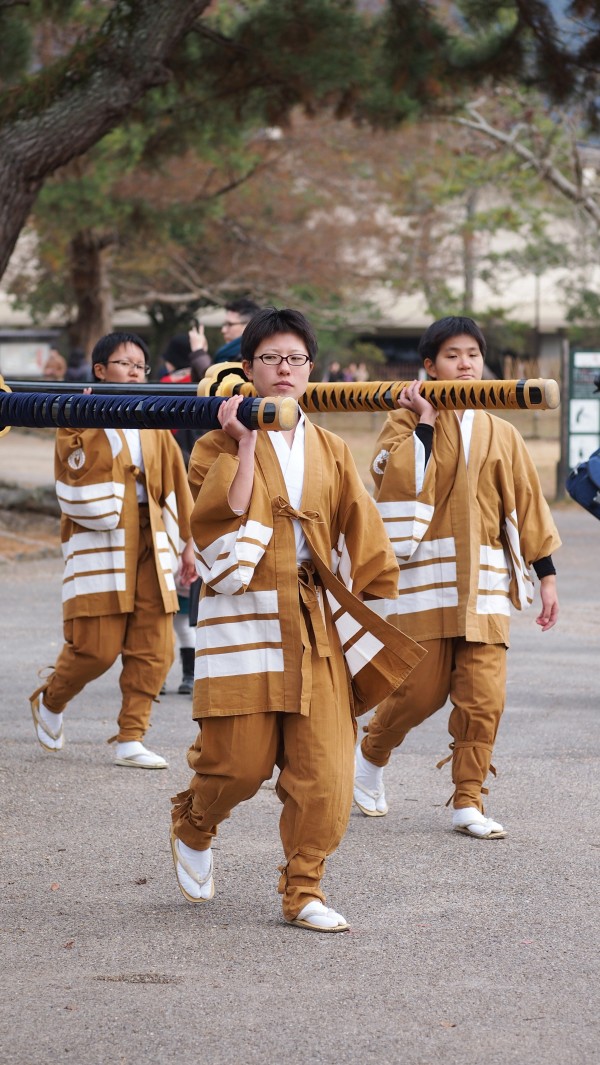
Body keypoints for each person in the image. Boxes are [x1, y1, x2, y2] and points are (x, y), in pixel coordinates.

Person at [170, 307, 425, 931]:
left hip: (314, 622)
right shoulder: (212, 443)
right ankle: (195, 824)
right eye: (270, 359)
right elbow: (219, 534)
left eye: (295, 359)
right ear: (247, 367)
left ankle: (303, 888)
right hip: (246, 618)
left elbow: (365, 528)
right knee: (239, 764)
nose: (284, 370)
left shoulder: (331, 447)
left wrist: (419, 434)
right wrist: (246, 441)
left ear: (311, 369)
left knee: (326, 774)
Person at [354, 316, 561, 839]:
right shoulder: (401, 422)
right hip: (427, 584)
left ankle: (468, 799)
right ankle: (372, 753)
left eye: (473, 353)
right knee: (418, 693)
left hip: (486, 587)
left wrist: (547, 577)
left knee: (483, 697)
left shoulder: (503, 432)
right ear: (429, 366)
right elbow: (393, 482)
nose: (465, 363)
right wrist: (424, 422)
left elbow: (529, 506)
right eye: (452, 355)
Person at [29, 331, 196, 768]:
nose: (135, 372)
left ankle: (131, 736)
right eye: (125, 363)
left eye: (141, 366)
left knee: (153, 645)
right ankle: (52, 698)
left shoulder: (154, 418)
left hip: (152, 534)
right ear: (100, 370)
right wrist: (109, 442)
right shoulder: (77, 416)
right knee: (95, 647)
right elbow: (75, 474)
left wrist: (189, 546)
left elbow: (177, 480)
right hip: (102, 536)